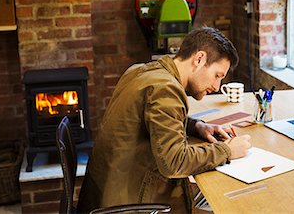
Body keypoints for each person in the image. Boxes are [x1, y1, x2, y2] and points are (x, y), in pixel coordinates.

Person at [77, 26, 251, 213]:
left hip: (103, 195)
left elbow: (155, 117)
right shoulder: (166, 88)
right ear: (199, 59)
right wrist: (226, 150)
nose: (217, 86)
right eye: (217, 76)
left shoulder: (141, 71)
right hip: (128, 204)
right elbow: (174, 162)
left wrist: (196, 126)